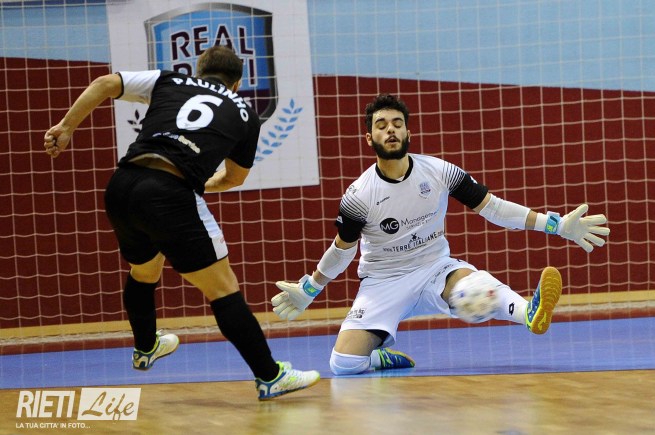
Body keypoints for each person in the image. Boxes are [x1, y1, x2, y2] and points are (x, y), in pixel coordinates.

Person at [43, 45, 320, 399]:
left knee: (144, 270)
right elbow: (234, 178)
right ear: (237, 83)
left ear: (198, 70)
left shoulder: (170, 80)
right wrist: (197, 183)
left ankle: (146, 347)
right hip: (169, 192)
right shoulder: (245, 113)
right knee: (223, 289)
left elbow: (104, 83)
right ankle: (270, 376)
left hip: (122, 186)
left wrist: (66, 127)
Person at [272, 93, 610, 375]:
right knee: (343, 364)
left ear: (408, 133)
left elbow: (493, 208)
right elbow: (343, 249)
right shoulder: (359, 196)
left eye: (397, 123)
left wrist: (556, 225)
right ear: (369, 138)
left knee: (472, 288)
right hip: (383, 281)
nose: (390, 129)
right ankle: (379, 357)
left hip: (435, 268)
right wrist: (310, 288)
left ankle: (529, 313)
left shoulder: (439, 171)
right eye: (381, 125)